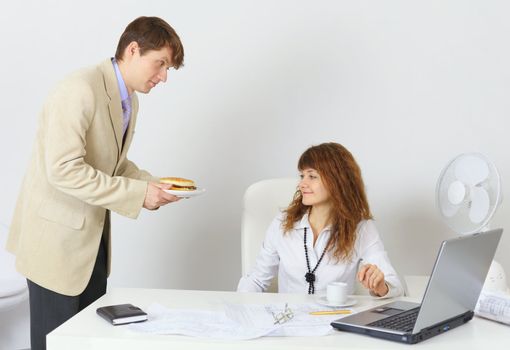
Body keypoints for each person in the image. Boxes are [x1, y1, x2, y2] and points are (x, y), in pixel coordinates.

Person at [6, 16, 184, 350]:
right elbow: (63, 169)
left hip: (92, 247)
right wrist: (138, 194)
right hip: (56, 249)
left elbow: (112, 164)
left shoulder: (129, 100)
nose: (162, 77)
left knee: (87, 343)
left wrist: (155, 186)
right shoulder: (79, 88)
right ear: (133, 50)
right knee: (54, 345)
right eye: (160, 64)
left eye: (168, 69)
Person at [237, 142, 404, 298]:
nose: (302, 184)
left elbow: (395, 286)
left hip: (334, 323)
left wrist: (381, 286)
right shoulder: (283, 223)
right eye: (302, 175)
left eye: (312, 176)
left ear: (338, 180)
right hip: (288, 323)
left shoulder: (361, 228)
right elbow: (257, 280)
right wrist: (237, 308)